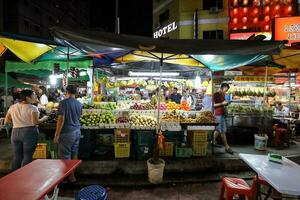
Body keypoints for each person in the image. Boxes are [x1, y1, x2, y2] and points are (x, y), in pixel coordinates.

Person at [4, 89, 48, 171]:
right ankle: (25, 176)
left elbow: (7, 121)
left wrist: (17, 122)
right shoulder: (33, 108)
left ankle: (14, 176)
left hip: (15, 132)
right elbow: (35, 122)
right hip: (29, 132)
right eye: (34, 95)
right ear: (28, 97)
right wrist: (44, 118)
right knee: (28, 155)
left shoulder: (13, 107)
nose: (36, 97)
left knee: (17, 156)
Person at [53, 85, 82, 183]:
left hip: (67, 132)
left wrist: (57, 135)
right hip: (77, 131)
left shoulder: (63, 103)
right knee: (74, 152)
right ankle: (73, 173)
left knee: (65, 155)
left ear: (67, 92)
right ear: (76, 92)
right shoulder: (79, 103)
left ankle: (70, 176)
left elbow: (61, 119)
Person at [213, 83, 234, 155]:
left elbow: (223, 103)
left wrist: (226, 104)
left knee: (218, 130)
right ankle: (227, 147)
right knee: (222, 131)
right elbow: (213, 105)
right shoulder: (216, 94)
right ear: (222, 88)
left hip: (222, 114)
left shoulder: (223, 95)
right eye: (225, 90)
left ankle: (212, 141)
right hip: (218, 114)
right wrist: (222, 104)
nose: (226, 92)